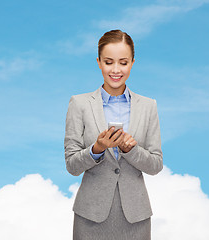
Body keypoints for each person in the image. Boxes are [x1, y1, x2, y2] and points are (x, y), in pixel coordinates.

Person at [64, 29, 163, 240]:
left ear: (133, 63)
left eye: (123, 62)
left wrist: (132, 151)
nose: (116, 69)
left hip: (135, 218)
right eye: (109, 62)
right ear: (98, 62)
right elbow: (72, 165)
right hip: (90, 217)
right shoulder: (79, 104)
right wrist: (96, 149)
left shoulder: (148, 106)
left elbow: (155, 165)